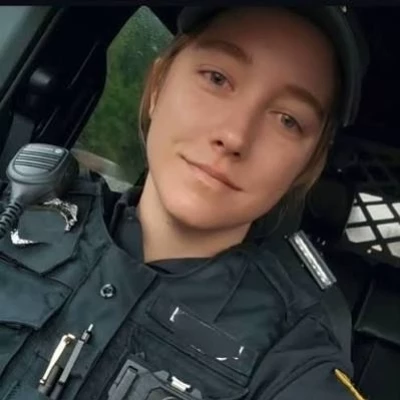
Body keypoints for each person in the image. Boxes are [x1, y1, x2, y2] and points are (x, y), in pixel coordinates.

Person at [0, 5, 369, 400]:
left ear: (306, 166)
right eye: (217, 78)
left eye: (287, 120)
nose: (235, 136)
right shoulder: (19, 209)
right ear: (158, 85)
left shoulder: (294, 354)